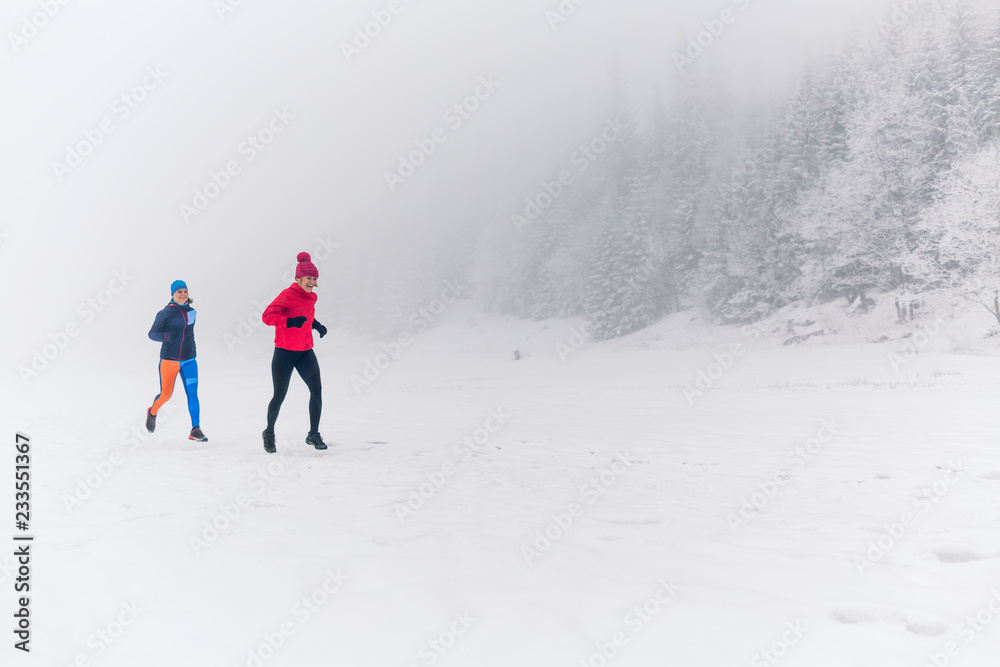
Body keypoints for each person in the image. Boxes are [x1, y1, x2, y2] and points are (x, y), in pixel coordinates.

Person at [261, 252, 329, 453]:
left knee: (316, 390)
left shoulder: (311, 297)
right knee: (280, 395)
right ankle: (269, 433)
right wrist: (289, 322)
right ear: (299, 278)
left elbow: (307, 315)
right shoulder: (287, 295)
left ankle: (313, 434)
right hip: (284, 353)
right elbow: (267, 316)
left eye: (314, 278)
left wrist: (316, 325)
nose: (312, 281)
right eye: (308, 278)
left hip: (305, 352)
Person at [146, 280, 207, 442]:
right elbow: (152, 334)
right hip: (169, 361)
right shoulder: (165, 313)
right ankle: (152, 412)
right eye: (179, 291)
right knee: (166, 395)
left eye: (185, 291)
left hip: (189, 360)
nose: (183, 294)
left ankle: (195, 429)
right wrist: (167, 336)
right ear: (173, 294)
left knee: (193, 394)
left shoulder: (192, 312)